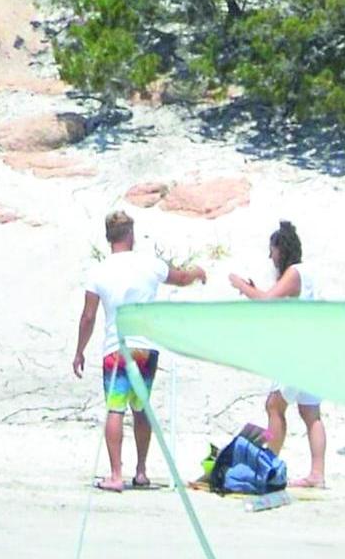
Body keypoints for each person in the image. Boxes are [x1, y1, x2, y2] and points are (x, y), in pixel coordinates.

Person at [73, 210, 207, 492]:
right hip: (147, 349)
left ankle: (116, 474)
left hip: (117, 347)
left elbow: (88, 316)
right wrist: (197, 272)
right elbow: (181, 278)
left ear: (109, 238)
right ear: (131, 234)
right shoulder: (150, 263)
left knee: (115, 407)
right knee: (141, 407)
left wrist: (79, 351)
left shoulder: (98, 270)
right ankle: (142, 471)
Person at [228, 220, 327, 488]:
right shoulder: (308, 273)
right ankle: (317, 473)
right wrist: (254, 289)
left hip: (297, 352)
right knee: (311, 414)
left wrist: (241, 286)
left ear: (280, 249)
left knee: (274, 405)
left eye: (272, 251)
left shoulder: (294, 273)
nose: (270, 257)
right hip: (315, 350)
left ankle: (269, 464)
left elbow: (266, 300)